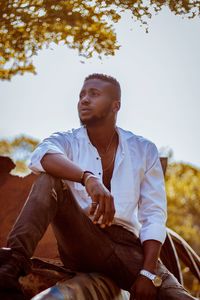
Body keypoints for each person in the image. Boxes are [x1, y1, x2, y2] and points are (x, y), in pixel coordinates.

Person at [0, 74, 197, 300]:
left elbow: (153, 215)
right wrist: (88, 178)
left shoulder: (144, 150)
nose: (84, 99)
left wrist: (148, 273)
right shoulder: (67, 140)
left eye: (94, 94)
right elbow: (41, 156)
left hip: (127, 249)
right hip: (81, 239)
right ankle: (10, 265)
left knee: (179, 298)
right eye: (82, 94)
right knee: (48, 179)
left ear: (116, 105)